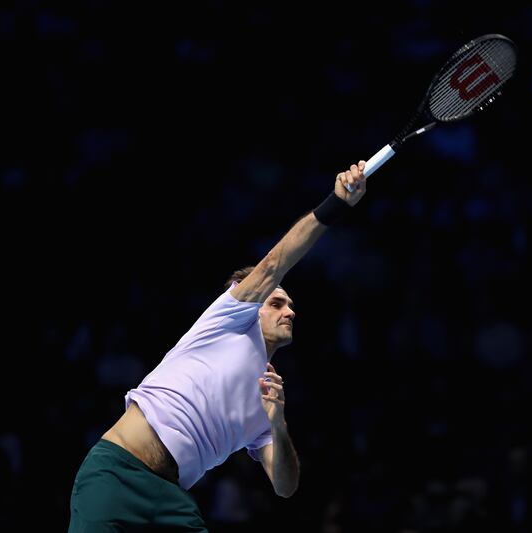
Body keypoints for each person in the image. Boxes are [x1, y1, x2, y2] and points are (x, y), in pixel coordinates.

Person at [68, 161, 368, 531]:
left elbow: (285, 486)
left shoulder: (267, 397)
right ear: (253, 306)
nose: (289, 309)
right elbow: (275, 263)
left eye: (290, 304)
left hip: (169, 499)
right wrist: (335, 203)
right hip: (115, 472)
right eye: (276, 302)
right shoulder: (228, 320)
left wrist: (277, 422)